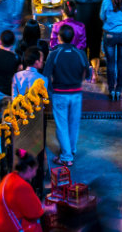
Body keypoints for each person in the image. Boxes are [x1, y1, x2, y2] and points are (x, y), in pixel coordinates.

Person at [43, 24, 91, 167]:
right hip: (76, 94)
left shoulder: (54, 54)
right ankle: (71, 150)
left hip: (60, 94)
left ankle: (66, 156)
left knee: (62, 125)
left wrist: (50, 92)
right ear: (73, 38)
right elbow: (88, 73)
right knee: (74, 124)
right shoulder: (80, 53)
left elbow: (46, 76)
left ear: (59, 38)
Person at [0, 150, 50, 232]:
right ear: (29, 169)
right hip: (8, 227)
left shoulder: (9, 177)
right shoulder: (22, 186)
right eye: (35, 170)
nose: (35, 174)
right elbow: (35, 213)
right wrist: (51, 208)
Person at [73, 0, 105, 72]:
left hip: (81, 30)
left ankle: (83, 72)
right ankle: (94, 74)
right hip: (96, 29)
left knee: (81, 51)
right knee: (95, 53)